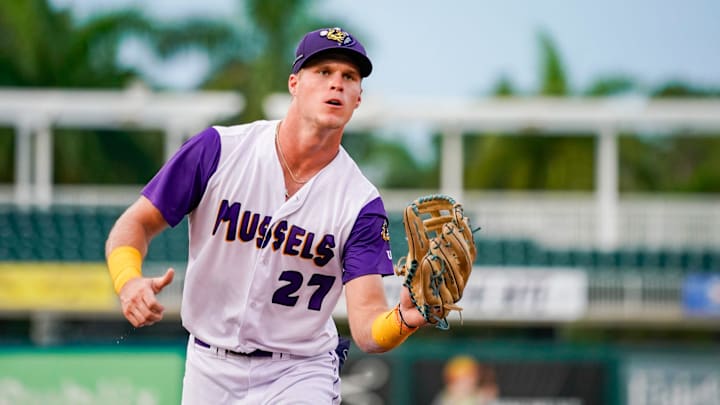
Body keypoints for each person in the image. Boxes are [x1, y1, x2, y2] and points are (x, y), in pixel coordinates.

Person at [105, 26, 427, 404]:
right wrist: (128, 281)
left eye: (349, 77)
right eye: (323, 72)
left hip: (298, 371)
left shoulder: (359, 203)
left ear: (358, 98)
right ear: (294, 83)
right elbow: (135, 224)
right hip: (209, 366)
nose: (336, 84)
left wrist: (402, 319)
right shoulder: (219, 150)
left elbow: (367, 326)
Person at [432, 355, 499, 405]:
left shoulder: (479, 394)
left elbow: (488, 394)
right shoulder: (444, 399)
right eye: (460, 381)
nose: (465, 384)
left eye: (469, 380)